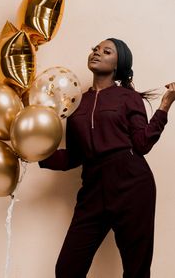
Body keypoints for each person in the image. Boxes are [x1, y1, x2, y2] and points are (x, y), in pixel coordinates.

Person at [38, 38, 175, 278]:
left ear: (117, 64)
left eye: (106, 51)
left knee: (136, 270)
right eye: (95, 49)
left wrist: (164, 106)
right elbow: (73, 156)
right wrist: (34, 153)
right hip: (93, 190)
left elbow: (142, 144)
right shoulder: (75, 102)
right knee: (67, 270)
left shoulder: (128, 98)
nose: (97, 53)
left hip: (132, 185)